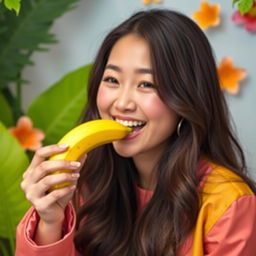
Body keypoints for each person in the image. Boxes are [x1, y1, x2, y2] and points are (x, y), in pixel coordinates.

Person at [15, 9, 256, 256]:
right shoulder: (84, 186)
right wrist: (51, 222)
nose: (122, 103)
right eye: (112, 80)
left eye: (146, 84)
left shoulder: (228, 203)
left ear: (186, 97)